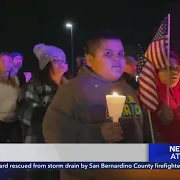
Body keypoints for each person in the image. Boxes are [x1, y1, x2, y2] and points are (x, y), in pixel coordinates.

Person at [42, 32, 156, 180]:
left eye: (120, 54)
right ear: (89, 60)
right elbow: (52, 132)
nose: (117, 59)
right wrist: (98, 133)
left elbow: (142, 130)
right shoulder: (72, 90)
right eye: (108, 54)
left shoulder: (129, 90)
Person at [18, 43, 68, 180]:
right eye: (56, 60)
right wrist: (54, 115)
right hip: (38, 144)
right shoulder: (35, 85)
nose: (61, 63)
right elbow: (25, 111)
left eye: (63, 59)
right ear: (46, 64)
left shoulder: (69, 87)